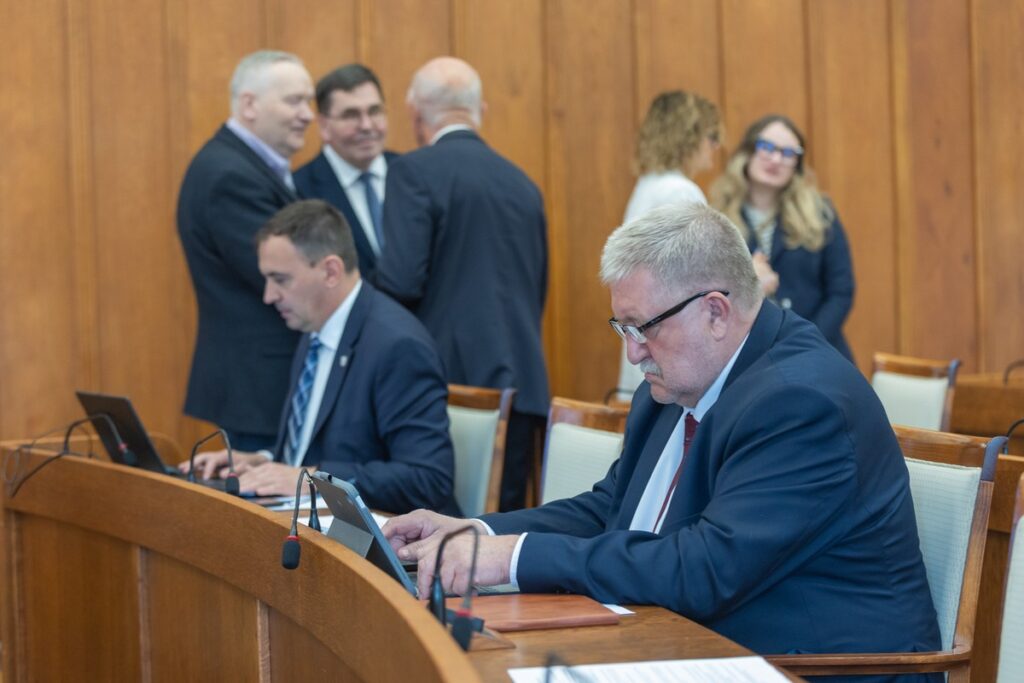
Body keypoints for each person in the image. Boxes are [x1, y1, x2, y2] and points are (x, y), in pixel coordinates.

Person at [384, 203, 941, 677]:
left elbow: (705, 569)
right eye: (622, 328)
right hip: (690, 643)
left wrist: (514, 559)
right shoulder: (674, 385)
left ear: (716, 313)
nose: (633, 353)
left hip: (811, 666)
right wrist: (478, 532)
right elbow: (611, 508)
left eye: (643, 327)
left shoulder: (801, 401)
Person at [185, 200, 458, 515]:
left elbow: (427, 479)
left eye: (281, 279)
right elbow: (312, 448)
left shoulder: (397, 345)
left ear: (330, 271)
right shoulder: (313, 328)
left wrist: (311, 479)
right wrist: (260, 461)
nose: (268, 295)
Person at [375, 56, 549, 512]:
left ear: (415, 114)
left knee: (445, 540)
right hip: (525, 387)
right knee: (501, 533)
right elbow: (537, 288)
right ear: (481, 110)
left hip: (448, 390)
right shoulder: (523, 183)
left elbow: (400, 282)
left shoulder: (412, 171)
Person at [177, 50, 314, 451]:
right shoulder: (229, 176)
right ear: (249, 104)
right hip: (259, 387)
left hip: (260, 386)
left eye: (309, 101)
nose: (307, 114)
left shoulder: (243, 166)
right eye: (294, 101)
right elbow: (282, 278)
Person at [710, 114, 855, 362]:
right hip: (746, 358)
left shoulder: (820, 213)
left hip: (818, 352)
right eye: (767, 147)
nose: (776, 159)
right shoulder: (716, 218)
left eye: (789, 153)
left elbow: (841, 291)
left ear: (797, 165)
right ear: (747, 152)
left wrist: (806, 339)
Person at [615, 90, 723, 400]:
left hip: (647, 335)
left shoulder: (648, 185)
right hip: (671, 346)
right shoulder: (682, 192)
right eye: (712, 136)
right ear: (689, 136)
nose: (715, 148)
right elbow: (700, 280)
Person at [294, 64, 396, 282]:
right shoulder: (300, 190)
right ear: (323, 126)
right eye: (351, 115)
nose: (367, 125)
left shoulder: (413, 173)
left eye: (375, 111)